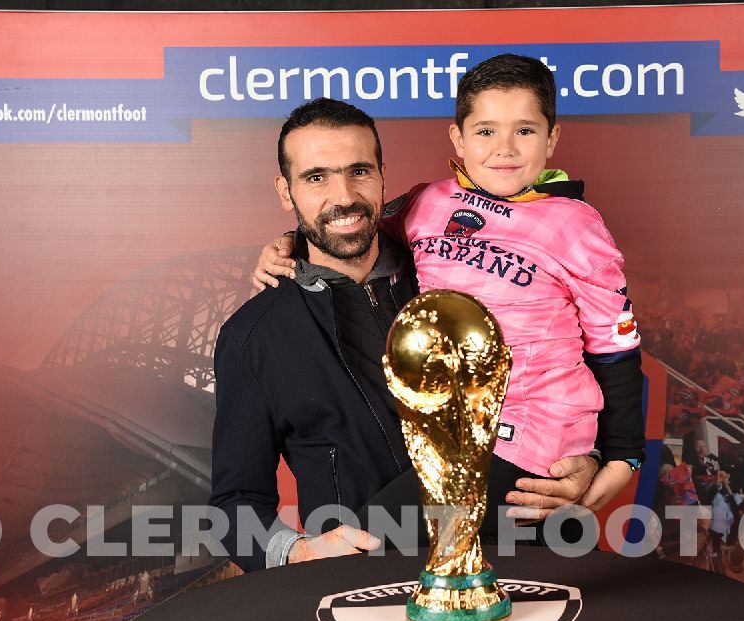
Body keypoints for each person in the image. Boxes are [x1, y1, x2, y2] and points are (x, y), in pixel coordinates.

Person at [211, 98, 599, 574]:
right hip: (373, 587)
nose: (344, 195)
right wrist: (298, 552)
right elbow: (233, 505)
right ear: (285, 191)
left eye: (359, 171)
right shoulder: (253, 336)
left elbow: (563, 358)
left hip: (527, 555)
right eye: (316, 178)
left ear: (382, 175)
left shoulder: (456, 268)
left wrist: (589, 458)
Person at [254, 54, 646, 519]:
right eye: (485, 132)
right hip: (454, 426)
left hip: (532, 433)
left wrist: (623, 454)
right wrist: (288, 242)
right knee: (418, 561)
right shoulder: (429, 201)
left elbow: (615, 342)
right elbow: (351, 225)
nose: (505, 148)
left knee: (375, 536)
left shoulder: (577, 225)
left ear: (552, 138)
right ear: (458, 138)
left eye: (525, 130)